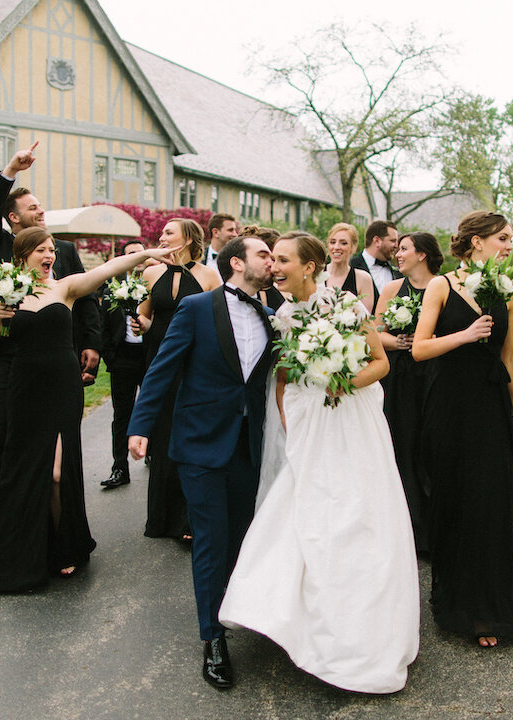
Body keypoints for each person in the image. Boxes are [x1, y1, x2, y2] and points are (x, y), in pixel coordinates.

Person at [219, 232, 420, 693]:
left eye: (283, 260)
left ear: (309, 267)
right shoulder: (284, 315)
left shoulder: (347, 306)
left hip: (350, 419)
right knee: (305, 507)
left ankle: (358, 629)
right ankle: (286, 610)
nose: (274, 267)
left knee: (355, 512)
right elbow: (285, 376)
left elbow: (379, 364)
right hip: (309, 422)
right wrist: (289, 424)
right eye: (273, 261)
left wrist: (341, 383)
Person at [0, 229, 173, 591]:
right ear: (23, 255)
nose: (49, 255)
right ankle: (29, 552)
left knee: (56, 473)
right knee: (24, 469)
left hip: (62, 388)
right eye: (41, 250)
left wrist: (147, 254)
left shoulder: (63, 288)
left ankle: (67, 547)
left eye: (51, 249)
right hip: (23, 389)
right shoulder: (5, 291)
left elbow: (110, 267)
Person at [127, 236, 277, 690]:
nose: (271, 261)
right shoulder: (196, 308)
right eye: (264, 255)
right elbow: (163, 368)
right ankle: (212, 640)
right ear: (237, 263)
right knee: (210, 540)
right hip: (199, 443)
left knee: (239, 536)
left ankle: (233, 609)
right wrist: (141, 425)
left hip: (249, 446)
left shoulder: (274, 317)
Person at [411, 210, 513, 648]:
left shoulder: (507, 291)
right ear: (477, 241)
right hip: (449, 408)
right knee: (456, 499)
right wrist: (463, 335)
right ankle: (458, 602)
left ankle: (494, 608)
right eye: (502, 237)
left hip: (492, 406)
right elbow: (420, 350)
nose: (509, 244)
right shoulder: (442, 286)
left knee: (492, 503)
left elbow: (507, 359)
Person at [0, 142, 103, 508]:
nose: (41, 211)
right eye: (32, 208)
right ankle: (4, 520)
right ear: (13, 218)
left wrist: (91, 343)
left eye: (41, 206)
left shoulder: (64, 250)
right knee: (7, 438)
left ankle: (57, 521)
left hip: (54, 358)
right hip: (9, 358)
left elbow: (86, 298)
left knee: (59, 442)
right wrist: (11, 170)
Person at [135, 219, 223, 540]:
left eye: (168, 232)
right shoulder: (150, 272)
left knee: (187, 432)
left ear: (187, 238)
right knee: (161, 435)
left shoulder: (209, 276)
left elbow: (216, 321)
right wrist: (140, 324)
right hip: (157, 358)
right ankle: (160, 518)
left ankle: (189, 519)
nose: (162, 236)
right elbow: (146, 313)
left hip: (192, 361)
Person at [374, 231, 443, 554]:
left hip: (433, 377)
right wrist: (398, 341)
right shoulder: (391, 289)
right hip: (399, 377)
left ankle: (433, 529)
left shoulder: (443, 287)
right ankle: (405, 529)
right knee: (401, 447)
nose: (397, 254)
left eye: (404, 249)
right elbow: (376, 334)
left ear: (423, 254)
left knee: (430, 450)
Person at [98, 241, 149, 489]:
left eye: (140, 253)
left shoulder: (155, 284)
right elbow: (103, 324)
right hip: (123, 359)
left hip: (150, 356)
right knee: (122, 415)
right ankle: (120, 468)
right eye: (131, 254)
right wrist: (111, 356)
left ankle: (153, 455)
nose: (137, 258)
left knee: (154, 411)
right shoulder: (112, 288)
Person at [349, 219, 401, 308]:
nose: (397, 246)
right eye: (393, 241)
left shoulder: (398, 272)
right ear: (377, 241)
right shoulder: (350, 267)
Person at [324, 222, 375, 312]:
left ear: (353, 247)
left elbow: (366, 321)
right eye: (332, 242)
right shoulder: (315, 274)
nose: (336, 247)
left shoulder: (363, 278)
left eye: (343, 243)